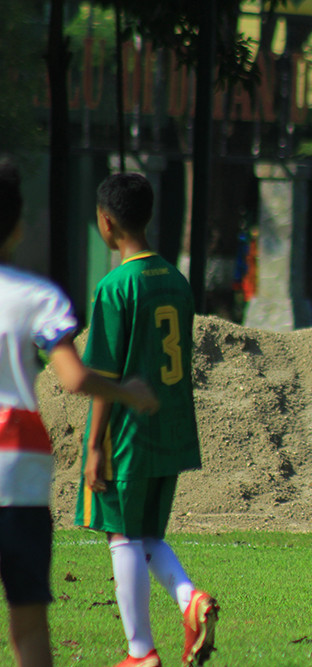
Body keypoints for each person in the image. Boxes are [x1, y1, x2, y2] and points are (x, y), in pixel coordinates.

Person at [0, 160, 159, 667]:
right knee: (27, 621)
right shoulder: (36, 297)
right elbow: (73, 378)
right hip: (18, 468)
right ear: (19, 226)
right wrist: (128, 391)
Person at [73, 173, 219, 667]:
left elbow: (102, 376)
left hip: (128, 434)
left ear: (105, 222)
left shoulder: (116, 287)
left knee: (122, 535)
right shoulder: (175, 280)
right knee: (149, 534)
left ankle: (141, 653)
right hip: (173, 427)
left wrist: (94, 447)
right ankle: (189, 599)